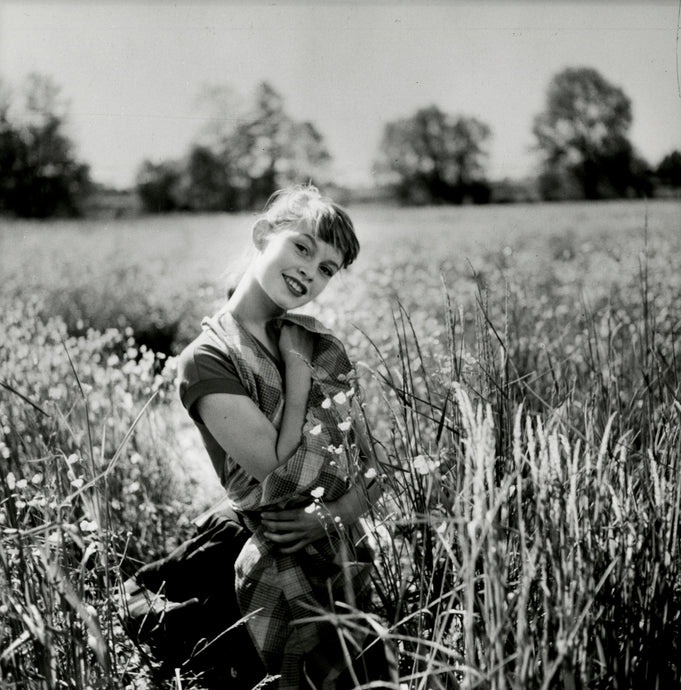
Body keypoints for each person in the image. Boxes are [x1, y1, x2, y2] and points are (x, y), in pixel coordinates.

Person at [123, 185, 393, 689]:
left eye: (328, 268)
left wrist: (332, 517)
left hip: (334, 544)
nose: (311, 271)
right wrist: (295, 366)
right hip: (263, 545)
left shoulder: (319, 345)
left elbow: (375, 465)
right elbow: (278, 467)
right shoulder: (207, 359)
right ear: (264, 235)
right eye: (303, 247)